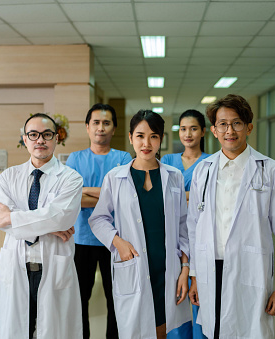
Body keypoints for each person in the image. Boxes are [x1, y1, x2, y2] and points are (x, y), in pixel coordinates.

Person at [187, 94, 275, 339]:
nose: (230, 130)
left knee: (249, 331)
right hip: (210, 268)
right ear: (214, 130)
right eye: (223, 124)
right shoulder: (202, 171)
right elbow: (194, 226)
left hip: (251, 269)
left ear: (248, 127)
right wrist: (194, 274)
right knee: (213, 331)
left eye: (236, 123)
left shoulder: (270, 170)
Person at [89, 110, 191, 339]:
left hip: (168, 270)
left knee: (164, 330)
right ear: (130, 137)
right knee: (135, 330)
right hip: (133, 266)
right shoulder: (114, 177)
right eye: (140, 136)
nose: (146, 143)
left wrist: (185, 269)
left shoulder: (174, 176)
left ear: (161, 139)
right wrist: (117, 242)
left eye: (154, 136)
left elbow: (184, 227)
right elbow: (98, 218)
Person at [0, 113, 83, 339]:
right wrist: (50, 226)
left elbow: (61, 217)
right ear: (25, 139)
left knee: (53, 331)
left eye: (47, 134)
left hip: (52, 266)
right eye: (33, 135)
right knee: (15, 329)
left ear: (56, 138)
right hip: (17, 264)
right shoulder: (9, 177)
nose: (40, 140)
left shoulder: (71, 178)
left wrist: (14, 217)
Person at [66, 103, 132, 339]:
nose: (101, 128)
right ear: (87, 127)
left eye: (106, 123)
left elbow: (122, 196)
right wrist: (106, 191)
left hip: (114, 240)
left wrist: (87, 191)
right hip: (81, 238)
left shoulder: (123, 157)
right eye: (96, 122)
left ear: (114, 128)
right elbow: (72, 198)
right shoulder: (75, 158)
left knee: (116, 298)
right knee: (79, 299)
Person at [161, 109, 210, 339]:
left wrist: (180, 195)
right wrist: (191, 195)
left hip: (202, 233)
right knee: (176, 295)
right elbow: (162, 197)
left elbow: (209, 200)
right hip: (174, 233)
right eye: (183, 129)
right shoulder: (168, 161)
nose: (187, 133)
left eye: (193, 128)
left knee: (199, 289)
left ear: (203, 132)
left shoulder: (211, 163)